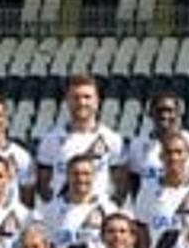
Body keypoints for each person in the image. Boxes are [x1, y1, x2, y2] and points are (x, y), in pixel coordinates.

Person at [35, 74, 125, 202]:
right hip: (63, 217)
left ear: (97, 101)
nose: (82, 102)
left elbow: (121, 185)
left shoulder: (112, 139)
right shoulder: (50, 140)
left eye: (87, 97)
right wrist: (58, 207)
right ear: (67, 100)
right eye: (76, 97)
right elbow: (43, 184)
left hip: (98, 216)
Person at [36, 152, 117, 248]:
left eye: (86, 174)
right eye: (75, 174)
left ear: (94, 176)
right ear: (67, 176)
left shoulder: (109, 209)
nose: (81, 179)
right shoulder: (50, 210)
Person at [118, 91, 189, 202]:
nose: (164, 115)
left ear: (179, 113)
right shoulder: (137, 145)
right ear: (150, 113)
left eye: (170, 110)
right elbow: (134, 181)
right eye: (159, 110)